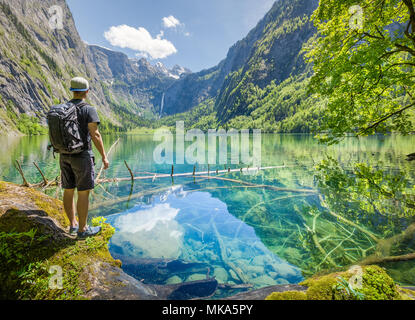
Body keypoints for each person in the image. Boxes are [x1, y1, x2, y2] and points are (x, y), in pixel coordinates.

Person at [60, 77, 110, 238]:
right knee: (83, 193)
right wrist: (104, 156)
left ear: (72, 91)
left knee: (68, 190)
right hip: (82, 156)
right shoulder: (88, 109)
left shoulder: (63, 109)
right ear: (86, 92)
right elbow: (95, 134)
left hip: (64, 155)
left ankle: (72, 225)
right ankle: (82, 229)